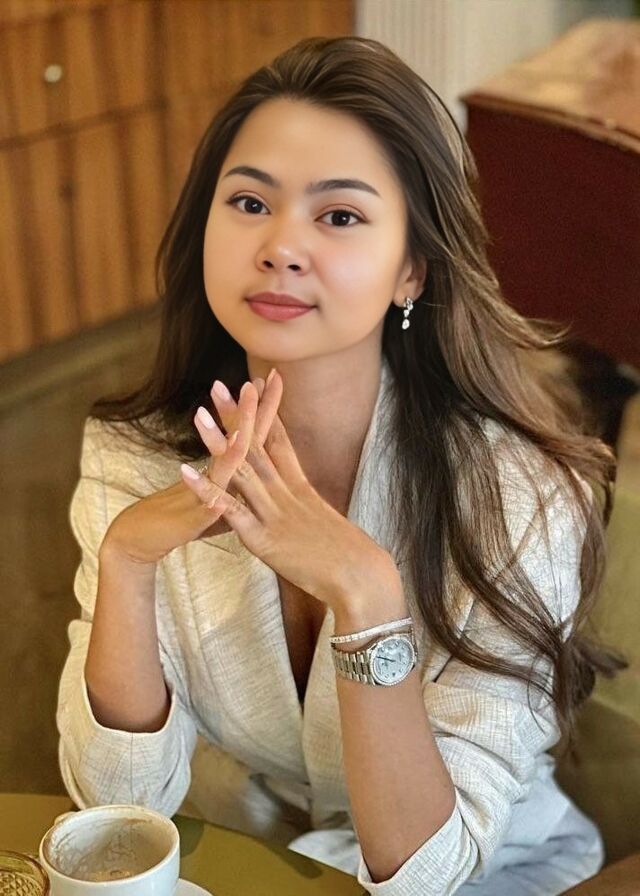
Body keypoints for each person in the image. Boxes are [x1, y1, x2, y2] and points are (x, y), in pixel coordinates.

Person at [56, 35, 626, 896]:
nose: (282, 245)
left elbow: (428, 872)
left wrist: (367, 597)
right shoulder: (133, 459)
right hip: (258, 867)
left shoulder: (520, 494)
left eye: (341, 216)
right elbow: (114, 808)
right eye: (249, 202)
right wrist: (128, 563)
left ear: (412, 270)